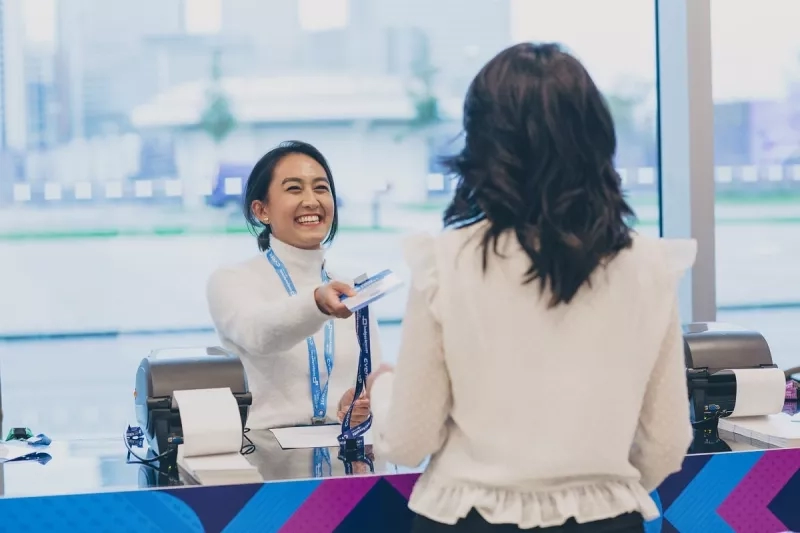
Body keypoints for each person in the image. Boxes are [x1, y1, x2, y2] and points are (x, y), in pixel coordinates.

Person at [367, 43, 695, 532]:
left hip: (468, 518)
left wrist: (384, 391)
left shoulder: (448, 261)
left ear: (483, 142)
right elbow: (666, 442)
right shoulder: (649, 264)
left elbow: (410, 439)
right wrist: (592, 490)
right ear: (595, 137)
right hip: (606, 520)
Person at [206, 140, 382, 430]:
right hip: (265, 458)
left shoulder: (351, 287)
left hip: (344, 456)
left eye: (321, 188)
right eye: (294, 188)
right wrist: (316, 303)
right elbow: (260, 334)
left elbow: (371, 377)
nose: (312, 201)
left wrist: (362, 405)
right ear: (261, 211)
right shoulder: (231, 280)